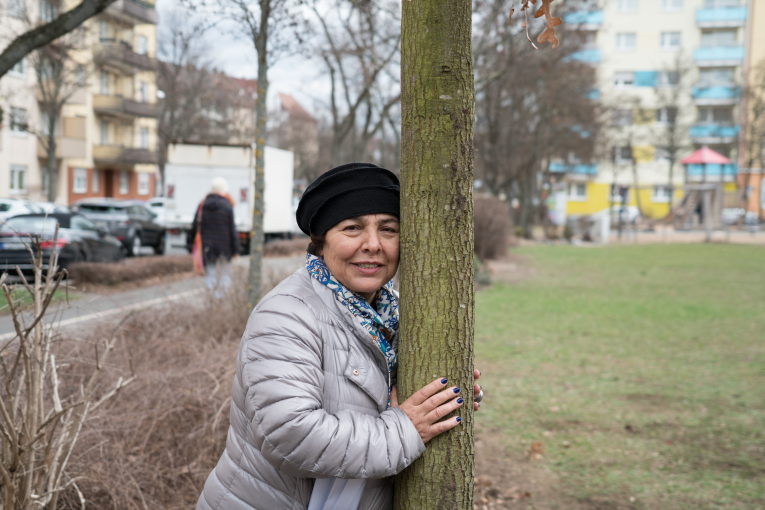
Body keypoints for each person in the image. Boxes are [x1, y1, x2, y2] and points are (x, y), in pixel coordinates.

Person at [196, 163, 483, 510]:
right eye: (352, 228)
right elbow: (290, 436)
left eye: (389, 229)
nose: (373, 245)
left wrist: (442, 399)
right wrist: (406, 429)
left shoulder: (391, 312)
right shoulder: (287, 314)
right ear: (321, 241)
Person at [189, 177, 240, 297]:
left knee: (210, 274)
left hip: (207, 246)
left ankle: (211, 300)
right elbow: (232, 229)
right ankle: (220, 299)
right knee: (224, 275)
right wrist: (236, 250)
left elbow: (195, 226)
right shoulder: (227, 206)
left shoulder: (203, 205)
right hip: (225, 247)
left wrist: (191, 245)